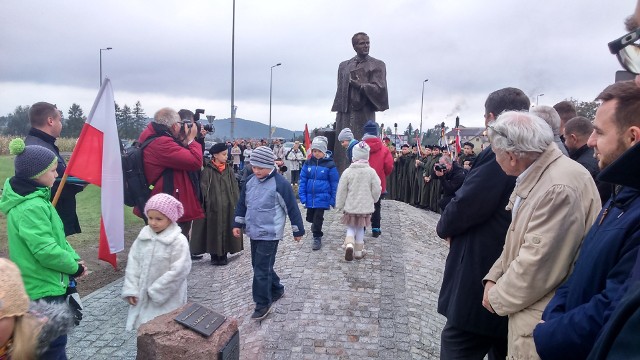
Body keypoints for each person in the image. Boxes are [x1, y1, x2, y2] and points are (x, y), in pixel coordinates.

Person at [532, 81, 640, 359]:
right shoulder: (619, 197)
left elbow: (613, 305)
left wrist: (550, 333)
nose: (590, 140)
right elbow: (580, 270)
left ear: (632, 137)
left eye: (600, 132)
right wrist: (554, 313)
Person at [480, 112, 600, 358]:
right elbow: (516, 237)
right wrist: (494, 276)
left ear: (512, 156)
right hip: (533, 311)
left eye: (495, 152)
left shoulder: (558, 188)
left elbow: (538, 263)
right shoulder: (541, 173)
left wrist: (497, 297)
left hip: (541, 318)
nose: (495, 158)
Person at [436, 87, 530, 360]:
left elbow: (468, 203)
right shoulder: (532, 147)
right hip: (505, 264)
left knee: (460, 343)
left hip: (484, 266)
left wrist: (444, 226)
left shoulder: (501, 149)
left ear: (491, 117)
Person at [0, 138, 88, 359]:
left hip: (48, 285)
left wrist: (74, 260)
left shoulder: (38, 200)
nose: (57, 175)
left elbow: (57, 240)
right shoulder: (32, 207)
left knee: (55, 345)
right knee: (52, 348)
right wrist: (73, 268)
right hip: (42, 289)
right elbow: (46, 251)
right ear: (36, 175)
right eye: (52, 171)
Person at [232, 146, 305, 320]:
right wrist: (237, 223)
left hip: (270, 234)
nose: (256, 171)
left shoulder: (281, 184)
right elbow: (242, 204)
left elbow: (292, 208)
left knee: (261, 269)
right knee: (259, 265)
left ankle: (263, 303)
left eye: (260, 168)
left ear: (269, 165)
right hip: (254, 231)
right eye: (253, 167)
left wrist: (297, 230)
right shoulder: (250, 181)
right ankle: (277, 288)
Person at [135, 107, 204, 259]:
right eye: (180, 124)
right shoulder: (161, 143)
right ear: (174, 126)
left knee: (170, 248)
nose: (181, 127)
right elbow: (194, 161)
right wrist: (192, 140)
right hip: (164, 206)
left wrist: (186, 141)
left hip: (163, 201)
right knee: (169, 250)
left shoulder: (157, 138)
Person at [121, 193, 191, 330]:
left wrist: (156, 291)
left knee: (165, 332)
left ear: (170, 219)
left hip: (168, 299)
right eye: (150, 218)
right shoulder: (143, 237)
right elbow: (133, 264)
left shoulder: (178, 241)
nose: (153, 222)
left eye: (159, 219)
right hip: (142, 298)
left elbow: (179, 270)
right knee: (145, 332)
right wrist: (131, 289)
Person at [25, 101, 86, 237]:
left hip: (49, 216)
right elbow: (55, 186)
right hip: (47, 220)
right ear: (50, 121)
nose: (61, 124)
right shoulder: (39, 149)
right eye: (59, 120)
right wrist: (83, 179)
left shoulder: (41, 144)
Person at [332, 32, 389, 172]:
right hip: (344, 114)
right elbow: (340, 90)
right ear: (354, 46)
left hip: (363, 114)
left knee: (361, 148)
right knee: (342, 152)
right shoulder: (344, 66)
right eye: (362, 43)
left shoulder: (377, 64)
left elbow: (381, 89)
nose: (366, 46)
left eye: (367, 43)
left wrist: (362, 86)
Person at [0, 258, 76, 360]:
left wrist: (75, 265)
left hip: (45, 288)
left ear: (15, 314)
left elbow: (48, 251)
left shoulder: (46, 347)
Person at [191, 143, 243, 266]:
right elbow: (203, 189)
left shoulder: (229, 169)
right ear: (215, 155)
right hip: (212, 207)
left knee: (226, 228)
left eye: (226, 154)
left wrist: (237, 202)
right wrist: (205, 204)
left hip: (228, 205)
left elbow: (234, 188)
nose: (226, 157)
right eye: (223, 154)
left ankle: (223, 254)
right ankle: (214, 254)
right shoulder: (208, 171)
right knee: (212, 229)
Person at [335, 141, 381, 261]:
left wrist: (339, 204)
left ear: (354, 155)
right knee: (360, 228)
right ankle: (359, 252)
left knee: (351, 226)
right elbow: (377, 188)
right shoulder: (371, 172)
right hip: (365, 207)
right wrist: (375, 199)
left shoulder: (348, 172)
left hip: (351, 205)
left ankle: (349, 244)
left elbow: (341, 189)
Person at [299, 136, 340, 251]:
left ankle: (317, 236)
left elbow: (334, 182)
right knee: (310, 217)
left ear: (324, 151)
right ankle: (314, 226)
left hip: (323, 197)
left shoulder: (329, 164)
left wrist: (333, 198)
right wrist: (302, 196)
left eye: (319, 151)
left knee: (318, 217)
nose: (316, 153)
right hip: (310, 196)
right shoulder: (308, 163)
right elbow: (302, 180)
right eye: (314, 151)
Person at [563, 116, 612, 205]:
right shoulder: (597, 158)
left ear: (573, 138)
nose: (564, 143)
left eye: (565, 139)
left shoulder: (582, 166)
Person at [362, 120, 393, 237]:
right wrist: (382, 174)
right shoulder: (384, 149)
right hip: (378, 181)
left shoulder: (360, 147)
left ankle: (362, 228)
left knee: (364, 205)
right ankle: (375, 228)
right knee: (376, 205)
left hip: (363, 181)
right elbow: (389, 166)